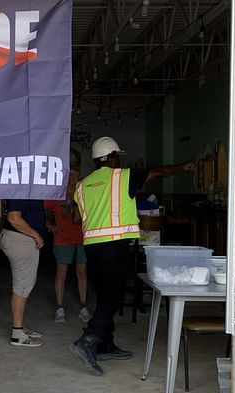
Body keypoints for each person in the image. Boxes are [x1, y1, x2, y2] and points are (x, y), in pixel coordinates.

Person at [69, 136, 195, 376]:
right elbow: (158, 172)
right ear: (113, 157)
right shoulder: (122, 176)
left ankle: (106, 345)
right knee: (114, 297)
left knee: (104, 295)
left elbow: (77, 219)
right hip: (115, 246)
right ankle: (87, 340)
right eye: (118, 156)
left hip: (92, 247)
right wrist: (183, 167)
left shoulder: (82, 185)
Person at [44, 168, 91, 323]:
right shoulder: (57, 194)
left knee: (82, 273)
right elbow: (40, 210)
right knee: (61, 273)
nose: (72, 178)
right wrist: (49, 225)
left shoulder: (84, 192)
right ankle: (60, 308)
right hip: (62, 239)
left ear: (80, 176)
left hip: (83, 238)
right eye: (69, 175)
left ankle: (83, 307)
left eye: (75, 174)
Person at [0, 199, 47, 347]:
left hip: (20, 238)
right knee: (22, 286)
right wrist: (35, 234)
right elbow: (13, 218)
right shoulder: (21, 187)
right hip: (21, 239)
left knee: (24, 285)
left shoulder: (26, 187)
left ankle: (22, 328)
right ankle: (17, 334)